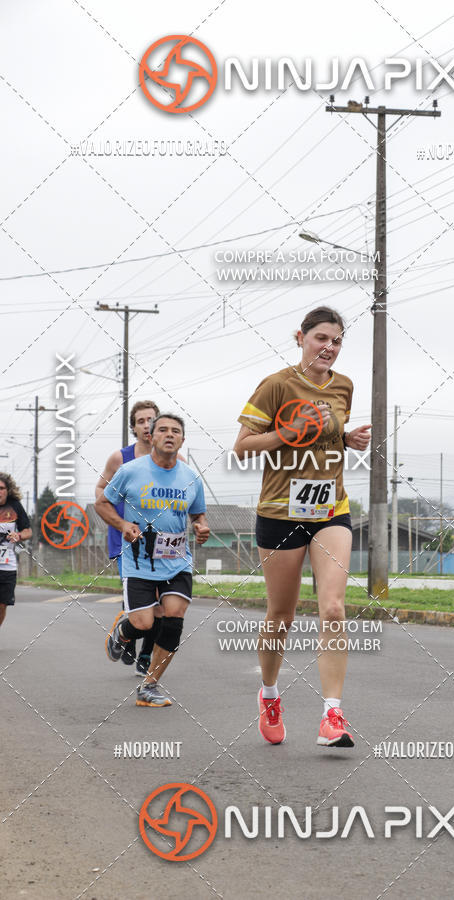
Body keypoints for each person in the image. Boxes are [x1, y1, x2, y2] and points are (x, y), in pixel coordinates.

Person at [233, 306, 371, 748]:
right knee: (281, 615)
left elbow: (328, 432)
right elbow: (242, 448)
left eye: (337, 341)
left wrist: (346, 439)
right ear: (301, 338)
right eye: (321, 338)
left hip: (331, 509)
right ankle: (270, 695)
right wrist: (285, 433)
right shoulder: (277, 385)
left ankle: (333, 716)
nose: (329, 347)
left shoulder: (344, 386)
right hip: (279, 512)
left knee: (332, 607)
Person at [95, 413, 210, 707]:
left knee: (173, 618)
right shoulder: (130, 471)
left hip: (176, 560)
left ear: (182, 440)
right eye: (163, 430)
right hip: (138, 561)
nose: (169, 435)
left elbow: (198, 512)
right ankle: (124, 631)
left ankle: (150, 686)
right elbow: (102, 502)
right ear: (151, 436)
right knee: (144, 623)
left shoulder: (190, 477)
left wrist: (200, 525)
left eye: (176, 431)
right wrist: (122, 525)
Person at [95, 401, 159, 675]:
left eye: (151, 419)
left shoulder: (172, 458)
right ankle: (128, 640)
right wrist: (120, 522)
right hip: (127, 540)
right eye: (141, 421)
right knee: (136, 597)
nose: (147, 425)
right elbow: (101, 490)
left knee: (160, 602)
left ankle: (145, 655)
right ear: (133, 427)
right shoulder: (120, 459)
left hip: (162, 541)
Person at [0, 473, 32, 628]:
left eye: (1, 488)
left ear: (7, 490)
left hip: (7, 565)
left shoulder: (15, 506)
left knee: (2, 605)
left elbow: (28, 531)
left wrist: (18, 535)